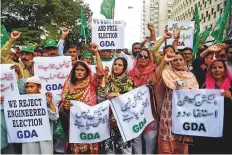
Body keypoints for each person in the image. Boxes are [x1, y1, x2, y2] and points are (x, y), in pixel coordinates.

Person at [59, 43, 103, 154]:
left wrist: (96, 53)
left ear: (87, 72)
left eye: (82, 70)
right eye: (77, 70)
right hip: (74, 123)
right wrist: (64, 106)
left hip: (90, 122)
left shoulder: (91, 82)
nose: (79, 72)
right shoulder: (69, 84)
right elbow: (62, 102)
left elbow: (101, 72)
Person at [157, 52, 199, 154]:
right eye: (175, 60)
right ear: (171, 62)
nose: (178, 62)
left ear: (185, 61)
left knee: (181, 140)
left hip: (185, 112)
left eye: (180, 59)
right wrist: (164, 61)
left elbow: (195, 92)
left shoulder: (191, 75)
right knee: (168, 137)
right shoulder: (167, 73)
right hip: (169, 112)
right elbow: (156, 78)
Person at [191, 59, 232, 154]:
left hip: (227, 128)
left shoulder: (231, 84)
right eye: (214, 68)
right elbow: (196, 64)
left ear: (225, 69)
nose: (217, 70)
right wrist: (208, 50)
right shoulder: (203, 83)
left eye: (220, 67)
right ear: (209, 70)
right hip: (206, 127)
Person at [101, 57, 135, 154]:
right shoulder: (108, 79)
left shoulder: (129, 81)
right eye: (115, 64)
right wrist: (103, 77)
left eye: (120, 65)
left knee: (125, 149)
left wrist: (117, 95)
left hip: (124, 119)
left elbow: (132, 99)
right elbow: (101, 94)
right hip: (108, 119)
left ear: (124, 68)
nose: (116, 66)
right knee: (110, 149)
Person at [128, 49, 158, 154]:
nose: (143, 58)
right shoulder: (131, 73)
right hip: (134, 111)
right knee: (136, 138)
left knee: (150, 138)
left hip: (151, 110)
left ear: (150, 58)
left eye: (146, 56)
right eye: (140, 56)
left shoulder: (155, 71)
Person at [20, 76, 59, 154]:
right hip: (29, 135)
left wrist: (50, 102)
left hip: (44, 137)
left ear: (39, 87)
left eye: (32, 87)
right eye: (27, 87)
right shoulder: (22, 100)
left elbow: (54, 117)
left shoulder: (46, 99)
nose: (29, 89)